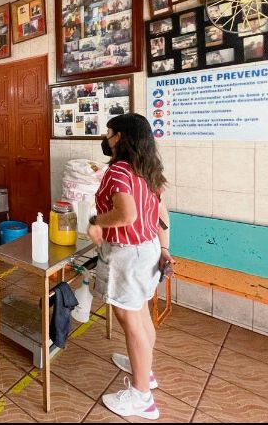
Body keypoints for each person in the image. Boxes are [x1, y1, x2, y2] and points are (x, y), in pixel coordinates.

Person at [86, 113, 173, 420]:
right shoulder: (148, 169)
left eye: (109, 133)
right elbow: (161, 215)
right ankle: (144, 372)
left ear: (120, 137)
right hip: (148, 249)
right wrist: (164, 249)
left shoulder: (119, 170)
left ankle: (142, 398)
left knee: (128, 316)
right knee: (139, 312)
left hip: (128, 253)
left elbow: (126, 215)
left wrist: (96, 222)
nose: (106, 139)